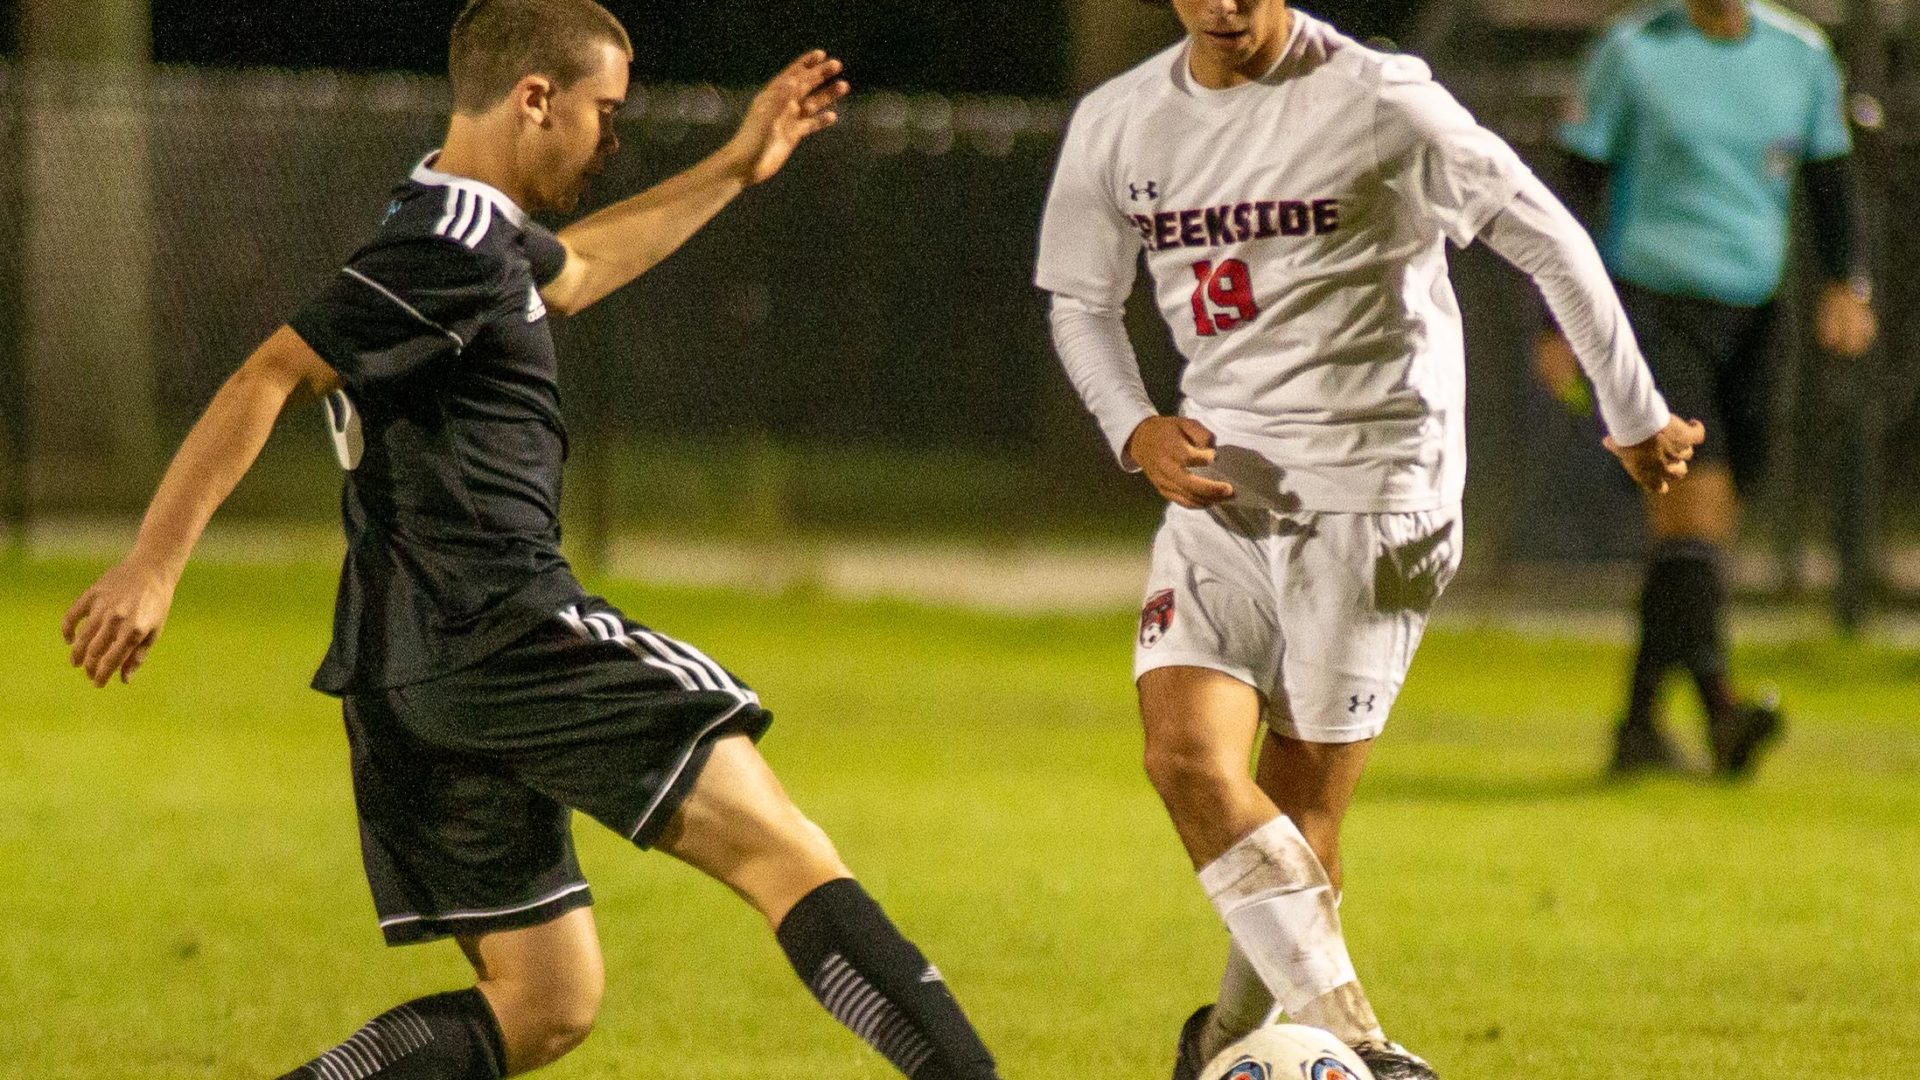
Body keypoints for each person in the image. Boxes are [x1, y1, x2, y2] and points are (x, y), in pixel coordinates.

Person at [59, 4, 1004, 1079]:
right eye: (605, 110)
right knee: (781, 845)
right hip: (508, 631)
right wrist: (154, 561)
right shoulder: (445, 244)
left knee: (546, 1001)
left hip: (407, 669)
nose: (613, 137)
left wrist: (737, 166)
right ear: (534, 99)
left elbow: (582, 271)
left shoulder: (461, 226)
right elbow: (270, 371)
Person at [1035, 1, 1702, 1077]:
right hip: (1218, 494)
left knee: (1301, 816)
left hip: (1374, 496)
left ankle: (1233, 1046)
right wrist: (1135, 430)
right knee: (1184, 761)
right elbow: (1080, 302)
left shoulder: (1381, 101)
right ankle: (1353, 1046)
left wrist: (1632, 415)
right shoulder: (1121, 120)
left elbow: (1552, 241)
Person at [1540, 0, 1876, 779]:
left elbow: (1831, 182)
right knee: (1691, 510)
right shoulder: (1632, 52)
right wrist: (1557, 326)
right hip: (1653, 309)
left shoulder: (1801, 56)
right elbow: (1573, 194)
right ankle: (1719, 709)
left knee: (1698, 533)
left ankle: (1642, 728)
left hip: (1756, 315)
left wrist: (1846, 284)